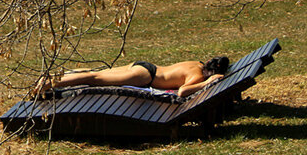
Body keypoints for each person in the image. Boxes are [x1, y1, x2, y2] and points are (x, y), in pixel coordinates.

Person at [33, 55, 230, 98]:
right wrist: (209, 82)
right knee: (93, 79)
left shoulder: (195, 63)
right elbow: (183, 91)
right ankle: (48, 84)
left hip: (145, 65)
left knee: (96, 73)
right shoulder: (198, 75)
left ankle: (51, 77)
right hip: (145, 76)